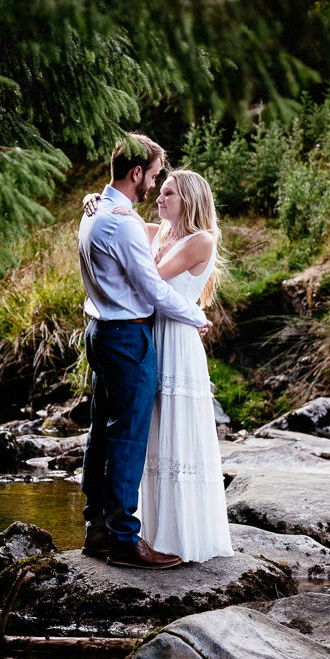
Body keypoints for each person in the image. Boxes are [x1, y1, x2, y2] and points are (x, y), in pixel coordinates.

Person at [78, 134, 212, 570]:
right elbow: (152, 288)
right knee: (128, 438)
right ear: (137, 173)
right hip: (126, 338)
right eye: (155, 177)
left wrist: (93, 199)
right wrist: (197, 317)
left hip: (99, 331)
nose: (155, 187)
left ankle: (97, 528)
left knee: (102, 433)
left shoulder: (99, 214)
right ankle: (123, 540)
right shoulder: (121, 221)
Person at [130, 170, 234, 563]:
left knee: (176, 429)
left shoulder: (200, 240)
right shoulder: (160, 233)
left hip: (177, 340)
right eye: (160, 191)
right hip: (155, 335)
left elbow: (153, 279)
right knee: (154, 429)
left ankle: (181, 538)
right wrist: (93, 198)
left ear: (188, 199)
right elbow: (122, 215)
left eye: (168, 193)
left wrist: (194, 313)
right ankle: (153, 534)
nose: (159, 197)